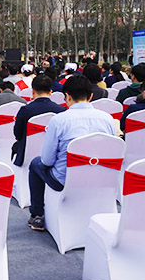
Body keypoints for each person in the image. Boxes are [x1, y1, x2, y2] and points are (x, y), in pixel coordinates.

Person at [27, 76, 115, 231]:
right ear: (91, 96)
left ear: (67, 96)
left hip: (65, 180)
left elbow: (47, 161)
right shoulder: (107, 119)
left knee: (36, 164)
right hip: (101, 177)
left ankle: (37, 215)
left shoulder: (59, 120)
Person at [11, 75, 66, 167]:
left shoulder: (25, 110)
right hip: (55, 156)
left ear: (32, 91)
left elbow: (18, 134)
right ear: (50, 91)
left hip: (27, 153)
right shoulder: (61, 110)